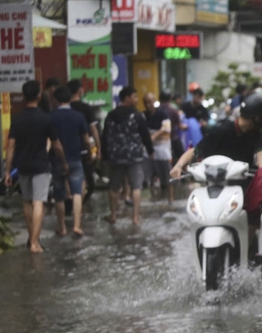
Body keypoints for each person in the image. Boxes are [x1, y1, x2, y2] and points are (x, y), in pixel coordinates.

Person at [170, 93, 262, 258]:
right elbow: (195, 151)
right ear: (257, 118)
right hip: (216, 184)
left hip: (242, 182)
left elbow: (261, 153)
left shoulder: (254, 135)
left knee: (253, 210)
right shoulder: (223, 130)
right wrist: (178, 166)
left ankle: (247, 250)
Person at [4, 80, 66, 252]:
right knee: (39, 202)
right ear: (39, 96)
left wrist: (8, 172)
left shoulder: (17, 119)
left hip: (22, 165)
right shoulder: (46, 119)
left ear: (24, 96)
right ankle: (34, 243)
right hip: (41, 166)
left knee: (27, 201)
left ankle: (32, 237)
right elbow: (57, 145)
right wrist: (63, 161)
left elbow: (10, 147)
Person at [103, 86, 154, 226]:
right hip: (134, 157)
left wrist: (105, 156)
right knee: (136, 187)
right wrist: (150, 151)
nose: (137, 100)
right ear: (127, 98)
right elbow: (145, 136)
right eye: (135, 97)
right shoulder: (137, 116)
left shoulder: (111, 115)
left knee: (114, 187)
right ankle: (135, 218)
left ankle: (113, 215)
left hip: (116, 157)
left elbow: (105, 136)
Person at [49, 86, 91, 237]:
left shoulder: (51, 116)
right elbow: (86, 140)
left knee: (59, 195)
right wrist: (91, 154)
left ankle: (62, 228)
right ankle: (77, 225)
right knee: (77, 193)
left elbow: (50, 141)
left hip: (57, 160)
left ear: (56, 100)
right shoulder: (79, 116)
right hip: (75, 158)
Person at [143, 92, 174, 204]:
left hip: (163, 150)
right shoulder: (144, 115)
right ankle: (153, 197)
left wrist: (154, 136)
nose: (148, 105)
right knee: (148, 175)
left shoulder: (162, 114)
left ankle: (170, 198)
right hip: (148, 151)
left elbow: (166, 128)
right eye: (145, 102)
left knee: (167, 175)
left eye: (150, 102)